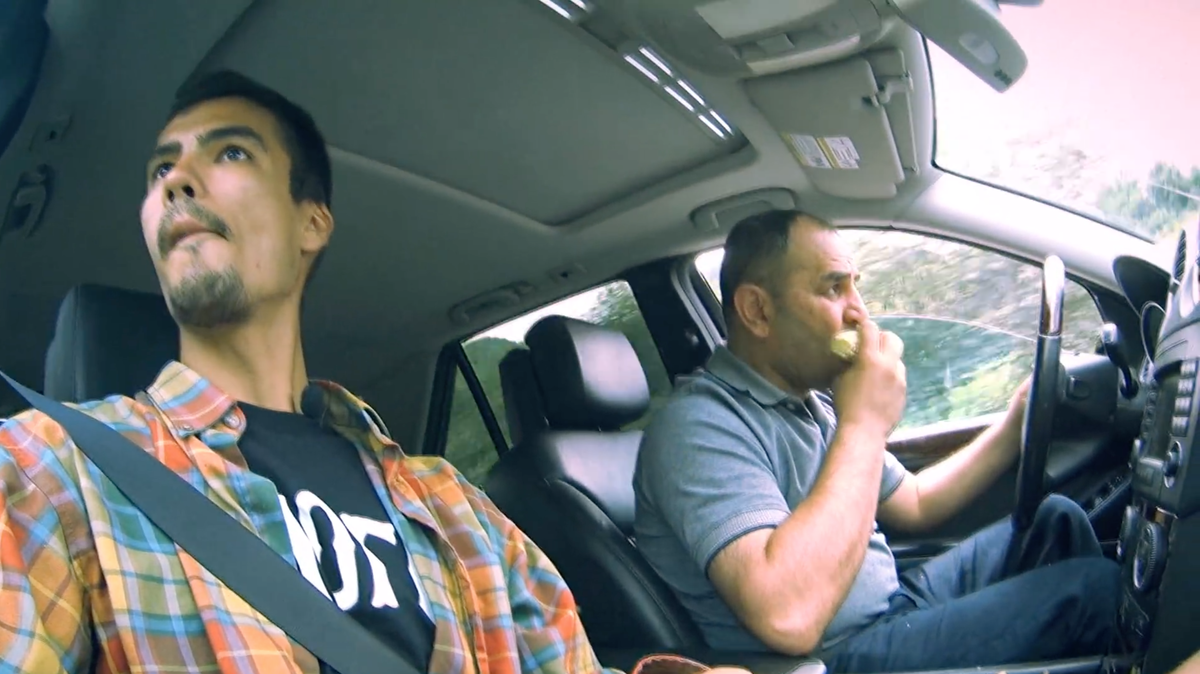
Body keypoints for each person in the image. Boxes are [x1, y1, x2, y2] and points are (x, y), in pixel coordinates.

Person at [0, 70, 738, 674]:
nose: (176, 181)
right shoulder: (50, 470)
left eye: (229, 154)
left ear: (312, 221)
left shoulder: (455, 508)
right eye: (161, 169)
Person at [633, 209, 1122, 672]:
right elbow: (788, 616)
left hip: (893, 609)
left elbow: (915, 502)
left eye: (855, 287)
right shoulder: (696, 427)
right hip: (831, 660)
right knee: (1095, 591)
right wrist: (864, 424)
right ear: (757, 311)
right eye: (833, 288)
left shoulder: (813, 403)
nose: (861, 314)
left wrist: (1016, 423)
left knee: (1054, 522)